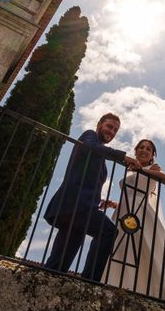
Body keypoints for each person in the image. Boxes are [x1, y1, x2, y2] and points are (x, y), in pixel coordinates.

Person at [43, 113, 138, 281]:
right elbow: (90, 147)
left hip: (78, 207)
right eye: (109, 126)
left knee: (61, 259)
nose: (112, 131)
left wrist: (99, 200)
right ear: (99, 124)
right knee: (108, 232)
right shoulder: (89, 135)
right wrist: (123, 156)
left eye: (115, 130)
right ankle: (90, 281)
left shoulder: (98, 153)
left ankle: (49, 278)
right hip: (75, 204)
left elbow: (86, 178)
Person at [102, 139, 165, 305]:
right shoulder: (130, 169)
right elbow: (131, 192)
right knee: (119, 247)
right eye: (141, 147)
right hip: (124, 211)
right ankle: (118, 283)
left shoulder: (153, 168)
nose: (144, 150)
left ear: (152, 155)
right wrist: (114, 204)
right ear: (136, 151)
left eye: (149, 149)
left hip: (141, 214)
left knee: (144, 248)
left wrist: (145, 171)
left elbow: (164, 177)